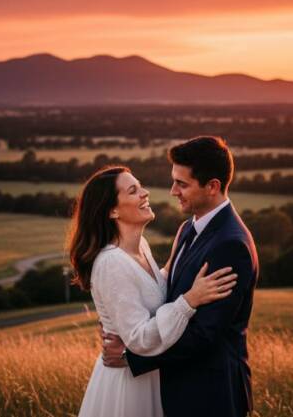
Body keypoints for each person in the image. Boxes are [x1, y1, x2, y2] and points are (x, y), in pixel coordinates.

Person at [101, 136, 259, 417]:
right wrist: (122, 323)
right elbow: (165, 292)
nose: (173, 191)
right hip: (178, 388)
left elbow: (204, 334)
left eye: (182, 184)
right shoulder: (188, 229)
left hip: (211, 394)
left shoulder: (231, 245)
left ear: (212, 186)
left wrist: (131, 357)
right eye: (174, 181)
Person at [71, 165, 239, 417]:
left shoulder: (142, 248)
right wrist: (190, 299)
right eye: (133, 191)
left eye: (140, 187)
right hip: (129, 386)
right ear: (112, 210)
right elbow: (138, 338)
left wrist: (175, 264)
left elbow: (146, 288)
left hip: (152, 378)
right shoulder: (110, 262)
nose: (145, 193)